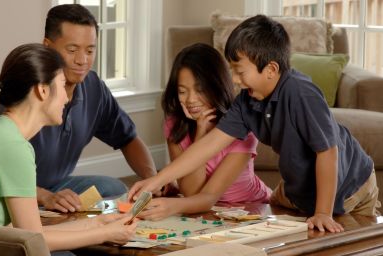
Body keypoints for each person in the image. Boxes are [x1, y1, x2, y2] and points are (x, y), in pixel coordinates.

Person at [129, 15, 380, 233]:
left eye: (240, 71)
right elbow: (207, 147)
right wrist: (156, 180)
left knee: (341, 239)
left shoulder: (301, 93)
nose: (235, 80)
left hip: (348, 185)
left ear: (270, 69)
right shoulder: (246, 102)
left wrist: (323, 212)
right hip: (298, 189)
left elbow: (327, 151)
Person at [0, 43, 137, 254]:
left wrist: (99, 223)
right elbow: (33, 239)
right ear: (42, 90)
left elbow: (28, 232)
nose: (66, 97)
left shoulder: (4, 134)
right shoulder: (11, 146)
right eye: (62, 85)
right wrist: (106, 234)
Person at [31, 3, 159, 213]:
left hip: (57, 185)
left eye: (90, 50)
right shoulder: (25, 91)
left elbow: (128, 138)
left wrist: (153, 180)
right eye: (72, 50)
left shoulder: (93, 87)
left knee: (114, 188)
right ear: (47, 46)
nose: (82, 60)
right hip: (17, 192)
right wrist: (45, 197)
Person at [138, 43, 271, 221]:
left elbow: (207, 196)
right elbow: (190, 191)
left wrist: (171, 205)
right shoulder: (175, 125)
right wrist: (200, 131)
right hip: (207, 212)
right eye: (182, 91)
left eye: (200, 90)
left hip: (251, 208)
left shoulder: (242, 128)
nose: (191, 100)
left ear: (217, 86)